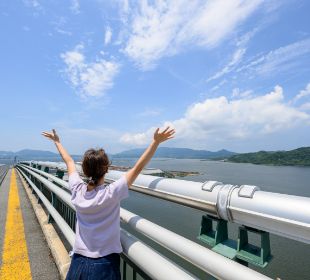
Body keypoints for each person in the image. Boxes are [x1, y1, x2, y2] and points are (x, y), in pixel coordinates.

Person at [41, 127, 175, 280]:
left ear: (85, 170)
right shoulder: (111, 193)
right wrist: (155, 142)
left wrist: (57, 142)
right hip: (105, 264)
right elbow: (138, 167)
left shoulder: (78, 190)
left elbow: (69, 161)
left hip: (78, 261)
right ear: (106, 169)